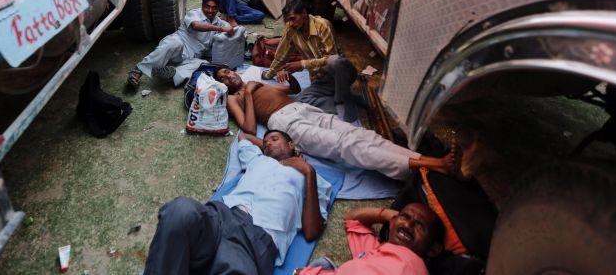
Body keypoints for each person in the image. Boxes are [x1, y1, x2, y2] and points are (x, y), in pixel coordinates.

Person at [214, 68, 459, 181]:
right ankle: (425, 163)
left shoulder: (257, 81)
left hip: (302, 108)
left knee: (360, 133)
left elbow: (293, 90)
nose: (227, 76)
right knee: (345, 145)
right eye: (222, 78)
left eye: (227, 72)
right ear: (225, 85)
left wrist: (287, 80)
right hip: (284, 121)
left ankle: (419, 160)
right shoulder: (235, 98)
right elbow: (247, 128)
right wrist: (249, 93)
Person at [143, 129, 332, 275]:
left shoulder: (313, 179)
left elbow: (311, 231)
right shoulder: (258, 159)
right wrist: (272, 151)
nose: (268, 144)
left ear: (292, 144)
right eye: (265, 143)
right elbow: (243, 136)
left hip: (255, 240)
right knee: (180, 211)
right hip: (222, 215)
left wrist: (308, 171)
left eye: (275, 139)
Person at [262, 0, 359, 121]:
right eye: (288, 20)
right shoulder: (290, 29)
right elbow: (281, 55)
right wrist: (269, 74)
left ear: (304, 13)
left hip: (340, 74)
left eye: (293, 18)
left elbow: (331, 58)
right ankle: (345, 99)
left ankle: (342, 101)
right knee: (301, 100)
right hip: (320, 80)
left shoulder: (322, 25)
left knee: (335, 61)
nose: (290, 23)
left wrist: (302, 64)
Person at [126, 0, 235, 89]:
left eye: (214, 7)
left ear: (218, 8)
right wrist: (221, 28)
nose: (210, 10)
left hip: (190, 58)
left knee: (204, 64)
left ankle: (172, 73)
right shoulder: (194, 14)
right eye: (207, 6)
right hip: (177, 48)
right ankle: (137, 71)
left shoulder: (218, 21)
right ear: (202, 5)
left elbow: (233, 29)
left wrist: (233, 30)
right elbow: (196, 26)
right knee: (173, 43)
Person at [296, 204, 444, 275]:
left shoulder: (413, 265)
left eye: (420, 225)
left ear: (433, 249)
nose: (408, 224)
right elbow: (352, 219)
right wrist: (390, 217)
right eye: (405, 216)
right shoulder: (373, 252)